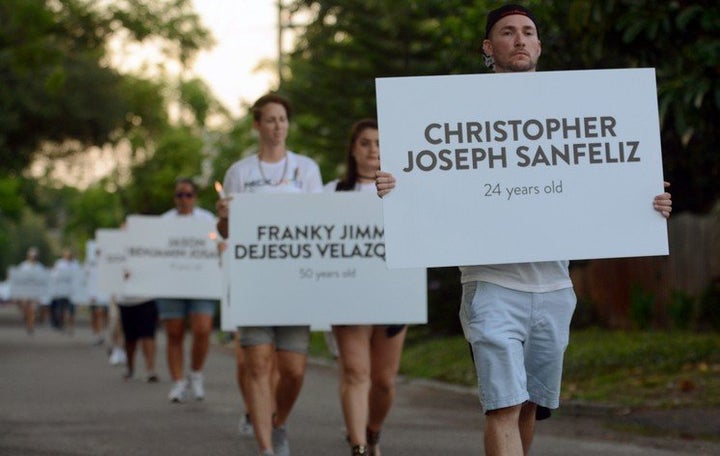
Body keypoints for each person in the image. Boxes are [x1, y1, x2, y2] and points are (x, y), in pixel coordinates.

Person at [375, 5, 674, 456]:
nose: (519, 39)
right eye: (507, 32)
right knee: (503, 407)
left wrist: (645, 201)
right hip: (492, 285)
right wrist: (398, 187)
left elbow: (601, 177)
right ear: (487, 47)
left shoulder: (570, 108)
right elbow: (431, 176)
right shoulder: (456, 109)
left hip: (555, 288)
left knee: (530, 406)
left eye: (528, 32)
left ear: (538, 45)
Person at [217, 93, 323, 456]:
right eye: (270, 120)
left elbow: (319, 223)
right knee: (258, 364)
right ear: (257, 125)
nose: (277, 126)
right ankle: (266, 448)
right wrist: (224, 217)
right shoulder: (240, 173)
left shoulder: (306, 170)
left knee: (292, 369)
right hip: (254, 282)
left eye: (282, 119)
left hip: (295, 282)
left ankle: (278, 422)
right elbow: (228, 233)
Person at [325, 119, 406, 456]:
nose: (373, 149)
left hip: (393, 295)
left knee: (384, 381)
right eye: (365, 143)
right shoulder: (332, 192)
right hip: (348, 296)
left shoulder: (402, 189)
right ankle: (357, 446)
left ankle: (372, 432)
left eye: (378, 143)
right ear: (353, 149)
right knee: (356, 372)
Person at [156, 177, 218, 403]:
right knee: (174, 333)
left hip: (201, 284)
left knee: (202, 329)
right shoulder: (164, 222)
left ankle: (196, 372)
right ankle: (178, 382)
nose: (184, 199)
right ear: (175, 198)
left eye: (188, 194)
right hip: (172, 285)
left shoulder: (207, 220)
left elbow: (217, 244)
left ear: (195, 197)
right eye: (179, 195)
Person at [117, 297, 159, 382]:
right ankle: (130, 367)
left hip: (147, 299)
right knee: (130, 338)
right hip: (126, 302)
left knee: (148, 334)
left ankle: (150, 370)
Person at [49, 247, 80, 333]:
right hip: (61, 291)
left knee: (71, 310)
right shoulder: (59, 263)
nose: (69, 256)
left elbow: (79, 276)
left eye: (70, 255)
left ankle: (70, 326)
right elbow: (53, 275)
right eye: (67, 255)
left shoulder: (76, 264)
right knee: (62, 309)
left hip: (72, 291)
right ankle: (62, 324)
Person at [17, 247, 45, 335]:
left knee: (33, 310)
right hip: (25, 291)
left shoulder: (40, 267)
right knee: (26, 310)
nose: (33, 258)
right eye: (32, 256)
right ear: (28, 256)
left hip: (35, 292)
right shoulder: (23, 266)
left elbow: (44, 280)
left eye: (35, 256)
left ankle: (31, 326)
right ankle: (27, 322)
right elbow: (18, 278)